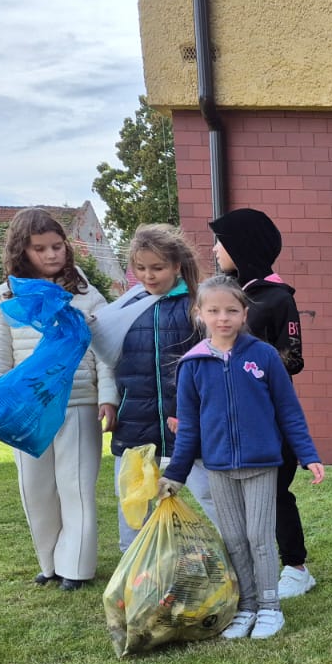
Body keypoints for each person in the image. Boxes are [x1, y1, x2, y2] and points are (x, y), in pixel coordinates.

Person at [158, 276, 324, 639]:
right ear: (199, 314)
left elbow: (288, 410)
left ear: (244, 313)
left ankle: (270, 608)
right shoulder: (193, 365)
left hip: (262, 465)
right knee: (233, 538)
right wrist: (176, 474)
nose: (223, 318)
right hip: (218, 467)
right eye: (214, 311)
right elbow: (188, 429)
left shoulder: (263, 355)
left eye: (231, 310)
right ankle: (246, 606)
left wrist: (308, 454)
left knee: (259, 537)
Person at [0, 207, 116, 591]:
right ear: (23, 250)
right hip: (26, 410)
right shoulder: (5, 297)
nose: (52, 255)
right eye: (41, 248)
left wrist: (109, 397)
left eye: (58, 246)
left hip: (78, 404)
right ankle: (50, 563)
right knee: (35, 489)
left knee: (77, 487)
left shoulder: (86, 296)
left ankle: (77, 567)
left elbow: (107, 351)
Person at [209, 208, 315, 599]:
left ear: (242, 245)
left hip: (270, 417)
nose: (216, 249)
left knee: (275, 491)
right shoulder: (224, 298)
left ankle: (296, 567)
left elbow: (294, 358)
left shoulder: (276, 298)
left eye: (222, 241)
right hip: (231, 418)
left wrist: (250, 359)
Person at [104, 223, 218, 548]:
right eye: (140, 268)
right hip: (135, 423)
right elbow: (106, 357)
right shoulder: (124, 308)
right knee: (133, 502)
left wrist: (196, 413)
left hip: (188, 424)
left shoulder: (197, 306)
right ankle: (134, 570)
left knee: (211, 495)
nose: (148, 276)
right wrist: (110, 401)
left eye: (157, 268)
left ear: (176, 266)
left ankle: (238, 561)